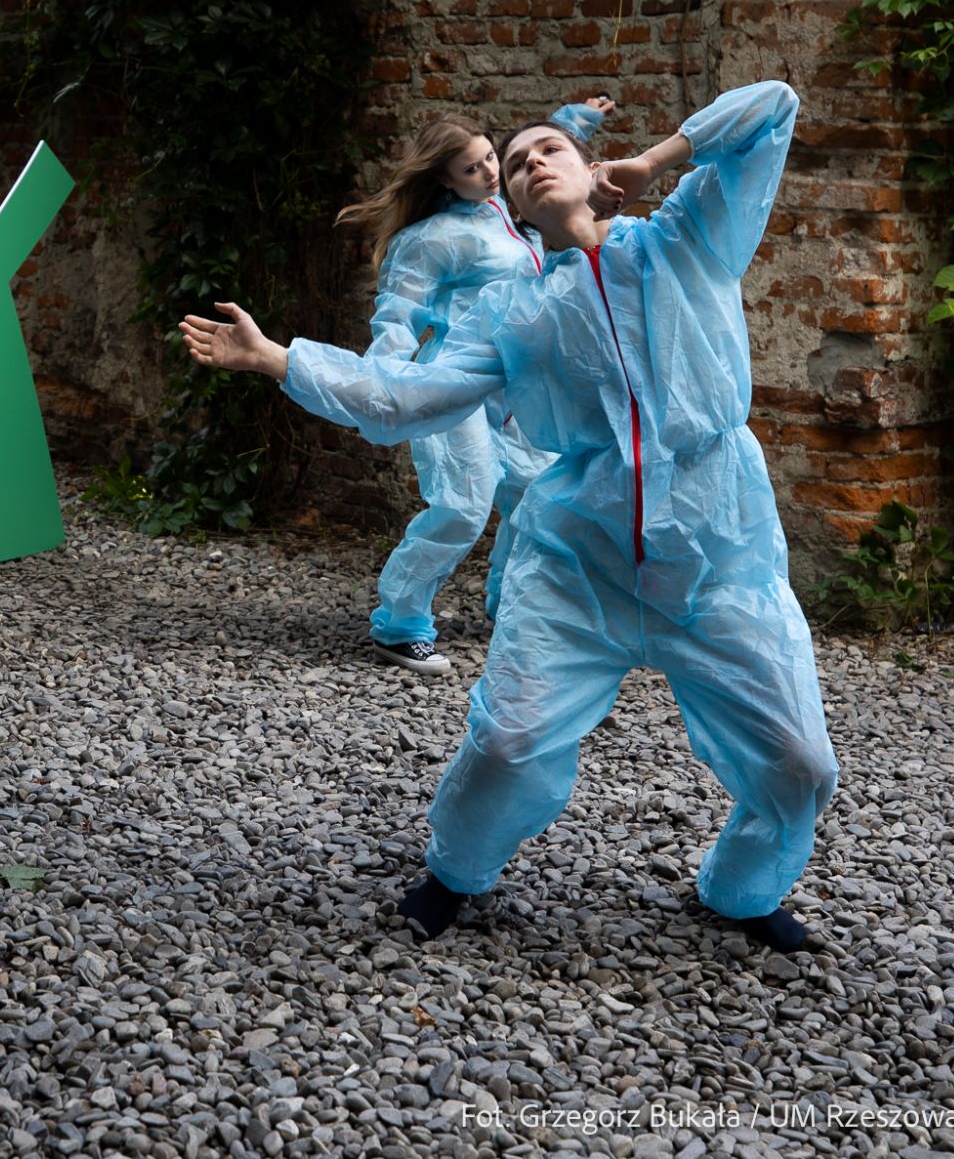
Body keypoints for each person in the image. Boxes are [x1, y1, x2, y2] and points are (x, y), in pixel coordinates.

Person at [181, 81, 838, 952]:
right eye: (517, 162)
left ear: (589, 164)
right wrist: (278, 358)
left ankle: (744, 888)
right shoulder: (514, 312)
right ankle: (456, 872)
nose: (529, 162)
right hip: (580, 565)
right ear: (512, 207)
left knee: (800, 763)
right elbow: (404, 395)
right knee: (506, 741)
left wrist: (656, 159)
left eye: (547, 149)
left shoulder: (686, 239)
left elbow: (773, 108)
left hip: (718, 562)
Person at [339, 97, 611, 676]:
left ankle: (512, 603)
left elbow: (540, 149)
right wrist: (383, 382)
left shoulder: (509, 217)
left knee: (539, 494)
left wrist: (576, 120)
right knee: (463, 503)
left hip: (513, 387)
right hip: (451, 385)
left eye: (491, 159)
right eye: (472, 168)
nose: (490, 173)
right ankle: (399, 622)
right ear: (443, 177)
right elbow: (398, 313)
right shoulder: (431, 239)